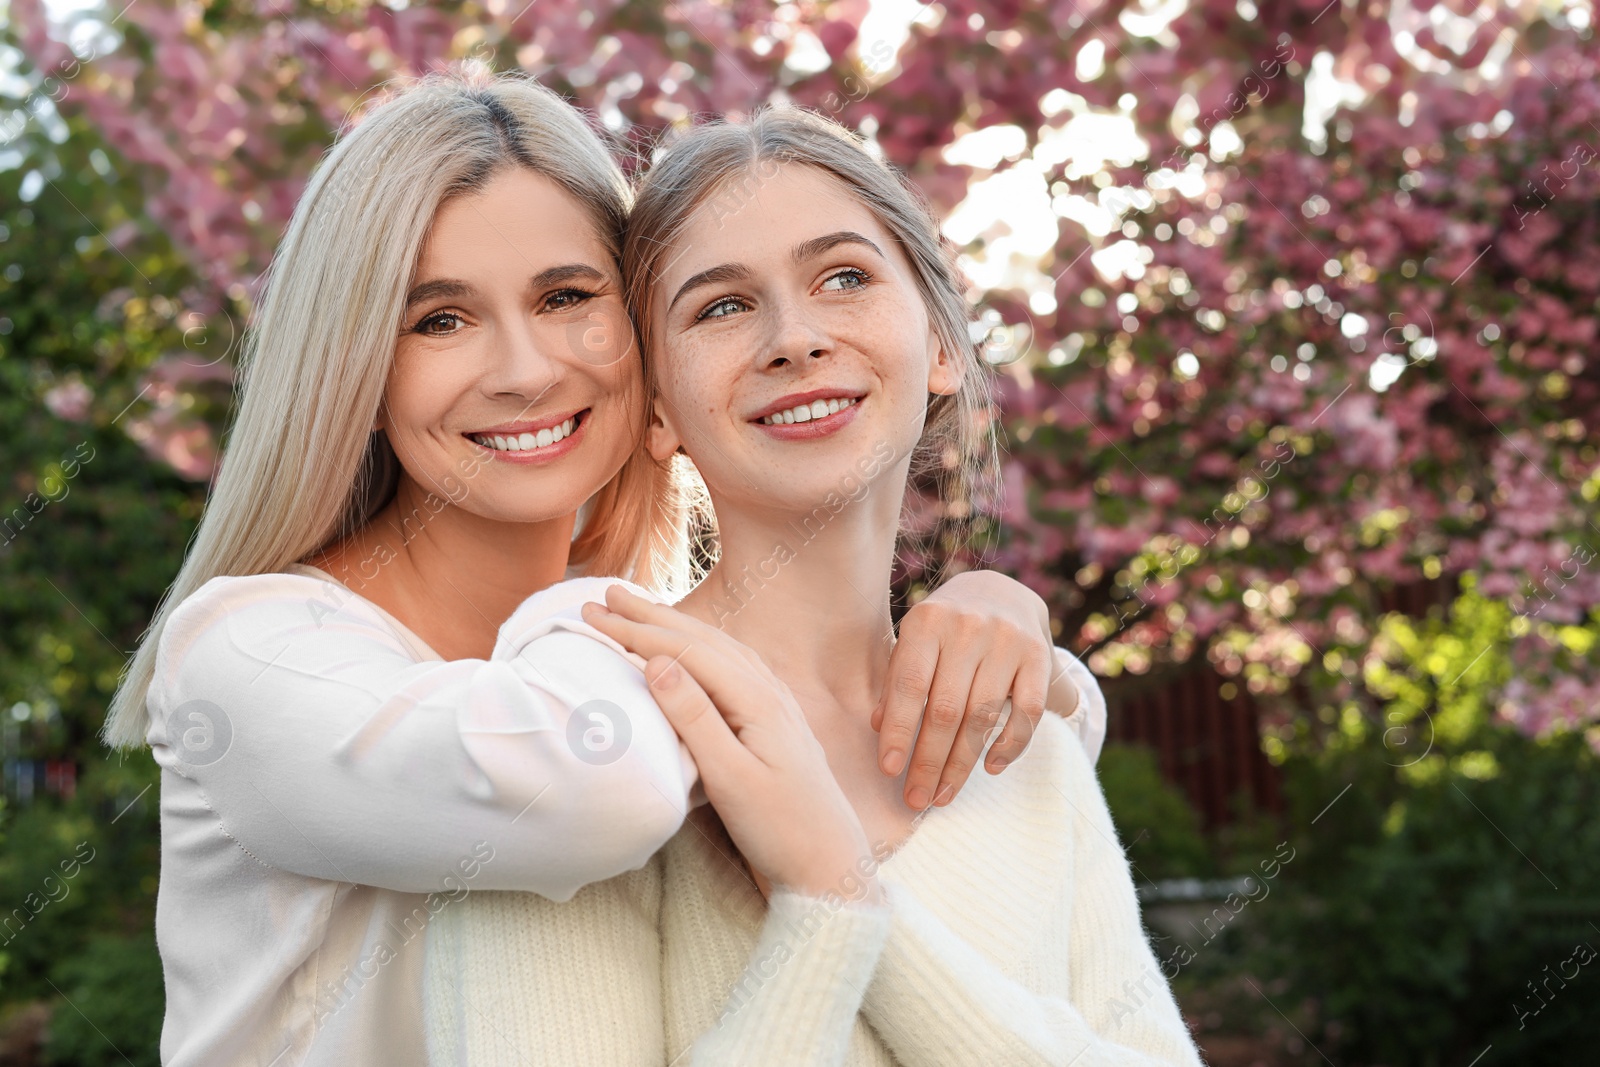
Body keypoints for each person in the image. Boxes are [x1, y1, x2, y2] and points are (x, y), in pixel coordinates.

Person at [115, 71, 1098, 1066]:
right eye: (439, 320)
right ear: (356, 369)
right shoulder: (251, 651)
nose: (528, 370)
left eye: (568, 297)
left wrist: (1007, 629)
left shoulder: (632, 660)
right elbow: (601, 788)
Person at [425, 108, 1197, 1067]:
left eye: (844, 277)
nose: (794, 338)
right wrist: (825, 912)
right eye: (722, 306)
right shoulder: (590, 726)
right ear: (657, 409)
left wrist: (838, 885)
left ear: (944, 343)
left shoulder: (1019, 726)